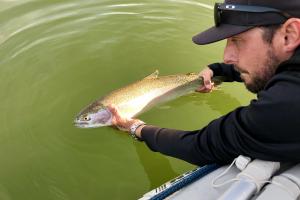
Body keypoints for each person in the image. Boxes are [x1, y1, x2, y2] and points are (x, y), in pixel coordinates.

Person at [108, 0, 300, 166]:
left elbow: (202, 146)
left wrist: (135, 128)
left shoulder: (285, 105)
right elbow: (264, 67)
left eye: (237, 40)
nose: (227, 57)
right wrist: (215, 70)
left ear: (290, 34)